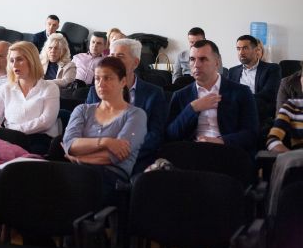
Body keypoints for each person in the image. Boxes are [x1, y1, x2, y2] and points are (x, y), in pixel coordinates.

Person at [63, 57, 146, 202]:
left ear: (123, 81)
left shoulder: (136, 114)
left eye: (107, 78)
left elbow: (116, 156)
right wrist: (106, 142)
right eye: (97, 78)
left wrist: (79, 158)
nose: (100, 84)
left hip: (111, 178)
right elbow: (70, 144)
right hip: (76, 172)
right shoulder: (82, 110)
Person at [86, 38, 167, 173]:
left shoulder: (154, 94)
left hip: (136, 161)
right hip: (98, 159)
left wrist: (123, 152)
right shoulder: (96, 91)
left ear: (135, 63)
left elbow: (155, 135)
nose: (113, 61)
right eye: (111, 56)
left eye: (120, 56)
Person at [166, 40, 259, 156]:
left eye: (203, 59)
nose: (196, 65)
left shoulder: (241, 92)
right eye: (192, 59)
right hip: (192, 153)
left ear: (217, 62)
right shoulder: (181, 95)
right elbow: (171, 135)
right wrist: (192, 109)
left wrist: (220, 141)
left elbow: (251, 134)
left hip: (228, 152)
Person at [0, 41, 60, 155]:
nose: (14, 65)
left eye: (19, 60)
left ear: (32, 61)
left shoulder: (50, 87)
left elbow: (45, 122)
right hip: (11, 138)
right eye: (11, 60)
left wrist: (10, 130)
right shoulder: (6, 89)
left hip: (40, 140)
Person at [228, 35, 281, 120]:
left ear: (256, 50)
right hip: (234, 114)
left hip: (258, 114)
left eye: (245, 48)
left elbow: (268, 94)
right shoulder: (232, 71)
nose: (241, 52)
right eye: (238, 49)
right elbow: (227, 93)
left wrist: (241, 100)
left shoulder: (272, 69)